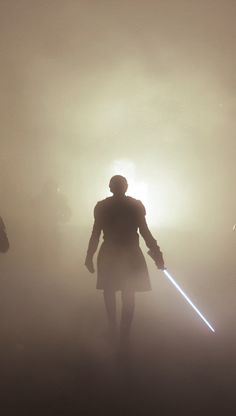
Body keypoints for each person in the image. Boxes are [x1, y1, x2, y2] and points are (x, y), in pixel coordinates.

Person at [85, 175, 164, 348]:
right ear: (125, 187)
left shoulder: (103, 206)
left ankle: (116, 328)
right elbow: (145, 232)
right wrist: (157, 254)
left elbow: (95, 234)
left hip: (114, 253)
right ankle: (122, 331)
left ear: (110, 187)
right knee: (126, 293)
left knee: (112, 291)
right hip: (128, 252)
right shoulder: (134, 206)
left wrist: (89, 256)